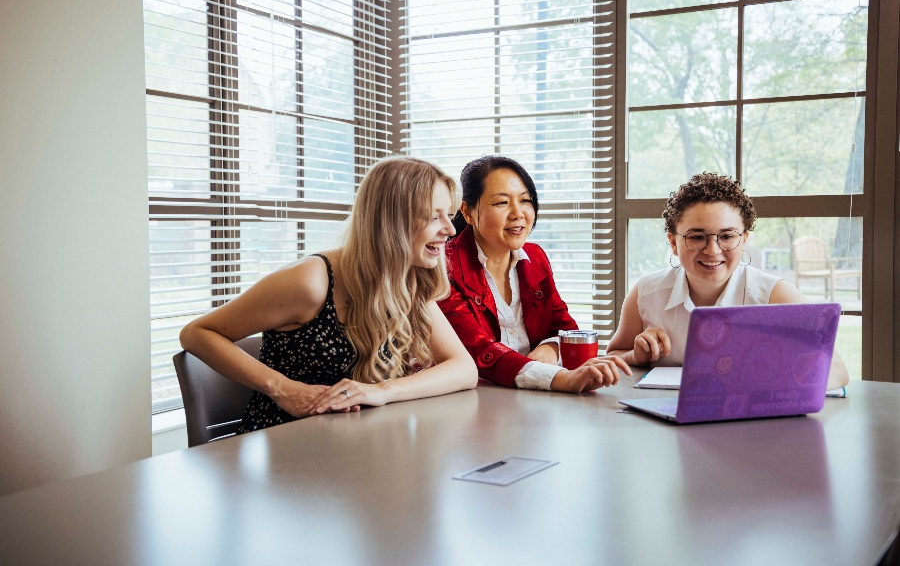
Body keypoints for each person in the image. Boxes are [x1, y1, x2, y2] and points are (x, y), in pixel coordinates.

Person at [179, 156, 478, 433]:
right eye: (433, 217)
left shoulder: (408, 279)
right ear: (391, 220)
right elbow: (197, 333)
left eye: (449, 216)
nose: (450, 230)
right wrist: (281, 388)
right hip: (288, 446)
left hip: (360, 444)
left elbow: (464, 370)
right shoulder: (311, 282)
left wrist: (382, 392)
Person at [606, 172, 850, 390]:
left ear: (744, 240)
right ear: (673, 242)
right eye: (697, 237)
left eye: (727, 236)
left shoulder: (774, 295)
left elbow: (837, 370)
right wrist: (636, 357)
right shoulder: (646, 292)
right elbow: (614, 355)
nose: (712, 250)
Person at [438, 155, 632, 393]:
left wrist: (552, 347)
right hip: (473, 401)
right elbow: (478, 351)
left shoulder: (534, 258)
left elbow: (567, 329)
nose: (518, 213)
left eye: (525, 200)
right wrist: (560, 378)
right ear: (467, 212)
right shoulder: (444, 266)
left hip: (532, 398)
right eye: (501, 203)